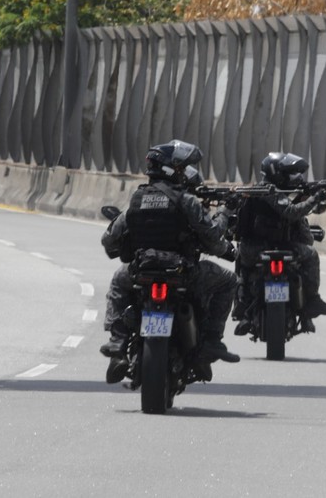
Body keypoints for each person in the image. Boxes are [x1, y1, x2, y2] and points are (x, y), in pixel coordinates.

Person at [99, 139, 240, 384]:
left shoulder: (137, 198)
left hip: (140, 270)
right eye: (182, 168)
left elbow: (109, 241)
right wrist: (225, 213)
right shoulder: (186, 201)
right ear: (171, 169)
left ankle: (117, 342)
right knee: (228, 281)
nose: (185, 173)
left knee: (118, 282)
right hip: (183, 273)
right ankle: (211, 342)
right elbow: (213, 237)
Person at [232, 151, 326, 336]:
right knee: (311, 255)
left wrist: (310, 196)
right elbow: (291, 212)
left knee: (242, 266)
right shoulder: (270, 191)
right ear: (276, 173)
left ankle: (242, 307)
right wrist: (315, 198)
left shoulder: (256, 192)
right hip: (276, 247)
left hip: (253, 249)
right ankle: (312, 300)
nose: (294, 178)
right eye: (289, 173)